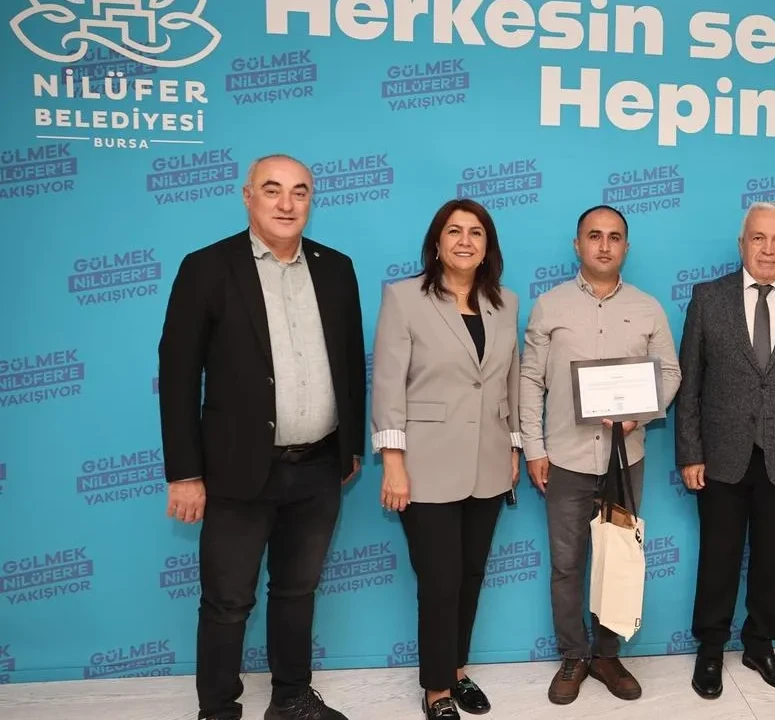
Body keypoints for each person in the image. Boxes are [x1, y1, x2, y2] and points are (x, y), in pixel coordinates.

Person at [158, 154, 365, 720]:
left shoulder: (336, 268)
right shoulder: (207, 267)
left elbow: (350, 361)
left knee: (297, 592)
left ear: (311, 200)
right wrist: (185, 473)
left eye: (300, 192)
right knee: (228, 602)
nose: (286, 203)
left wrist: (349, 446)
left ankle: (292, 698)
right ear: (247, 196)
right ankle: (218, 710)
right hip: (236, 470)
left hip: (318, 467)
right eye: (272, 190)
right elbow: (178, 374)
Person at [519, 204, 681, 705]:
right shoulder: (549, 306)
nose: (604, 245)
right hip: (564, 458)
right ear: (578, 244)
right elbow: (530, 379)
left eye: (614, 237)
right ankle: (573, 655)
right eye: (594, 235)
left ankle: (607, 655)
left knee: (618, 559)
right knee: (566, 565)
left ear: (626, 247)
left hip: (624, 459)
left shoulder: (648, 308)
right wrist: (534, 448)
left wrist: (640, 416)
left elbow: (670, 373)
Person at [677, 201, 775, 699]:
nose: (768, 249)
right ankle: (710, 647)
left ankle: (760, 644)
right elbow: (690, 383)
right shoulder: (708, 298)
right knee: (718, 556)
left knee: (772, 557)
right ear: (742, 243)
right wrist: (690, 452)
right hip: (721, 456)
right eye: (759, 238)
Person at [370, 198, 522, 720]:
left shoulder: (505, 303)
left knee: (471, 575)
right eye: (454, 231)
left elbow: (508, 381)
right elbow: (388, 384)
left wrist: (515, 446)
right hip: (425, 466)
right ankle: (436, 688)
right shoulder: (404, 298)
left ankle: (457, 670)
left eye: (475, 233)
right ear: (436, 243)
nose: (464, 240)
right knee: (439, 581)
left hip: (489, 462)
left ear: (487, 247)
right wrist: (393, 462)